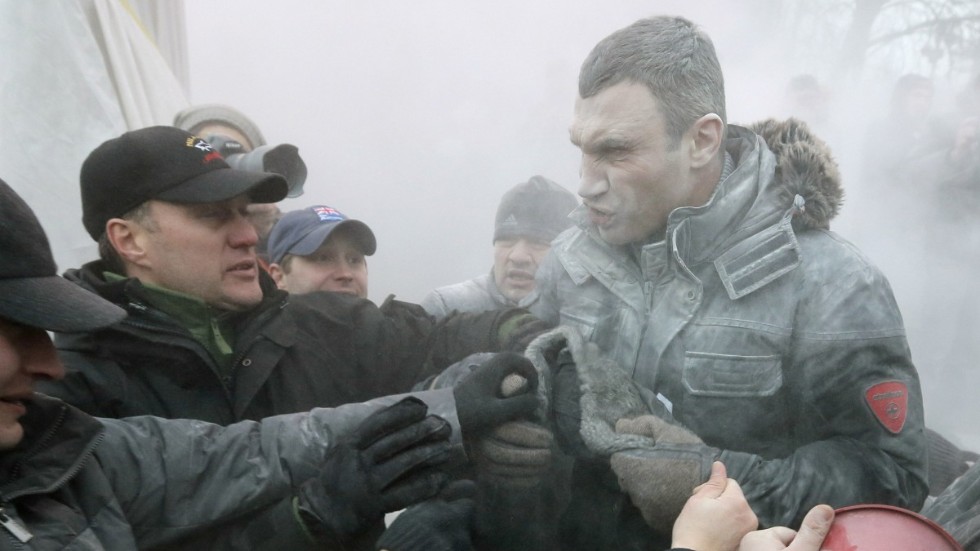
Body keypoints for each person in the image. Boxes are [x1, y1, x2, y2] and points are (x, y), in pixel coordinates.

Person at [35, 126, 547, 548]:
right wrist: (310, 520)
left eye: (243, 212)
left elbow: (437, 339)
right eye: (213, 215)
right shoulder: (65, 396)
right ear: (130, 240)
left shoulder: (319, 324)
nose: (247, 235)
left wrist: (524, 332)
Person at [529, 15, 927, 547]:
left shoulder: (832, 286)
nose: (585, 184)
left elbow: (893, 480)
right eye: (581, 146)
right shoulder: (572, 260)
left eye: (615, 151)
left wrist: (709, 478)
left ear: (702, 141)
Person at [421, 175, 578, 318]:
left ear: (568, 254)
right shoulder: (446, 309)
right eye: (507, 240)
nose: (518, 257)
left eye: (538, 242)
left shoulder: (587, 318)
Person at [267, 204, 376, 298]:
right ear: (279, 277)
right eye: (323, 258)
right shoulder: (259, 322)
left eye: (354, 260)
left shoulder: (386, 321)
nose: (345, 274)